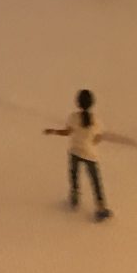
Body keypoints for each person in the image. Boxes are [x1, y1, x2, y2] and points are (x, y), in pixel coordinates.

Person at [44, 89, 112, 221]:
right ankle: (100, 207)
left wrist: (53, 131)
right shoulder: (96, 120)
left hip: (75, 151)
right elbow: (98, 138)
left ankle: (74, 198)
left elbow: (67, 132)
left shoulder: (73, 117)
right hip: (90, 154)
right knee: (95, 181)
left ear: (78, 103)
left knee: (74, 176)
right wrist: (91, 142)